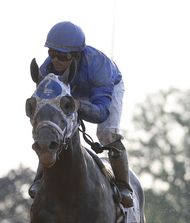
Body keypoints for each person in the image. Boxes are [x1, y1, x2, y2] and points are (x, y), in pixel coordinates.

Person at [28, 21, 134, 207]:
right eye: (52, 53)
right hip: (72, 87)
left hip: (105, 88)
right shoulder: (47, 69)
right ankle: (39, 179)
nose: (56, 60)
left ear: (77, 54)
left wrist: (78, 105)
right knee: (52, 129)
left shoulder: (100, 67)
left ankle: (125, 187)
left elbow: (101, 112)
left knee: (106, 133)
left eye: (63, 55)